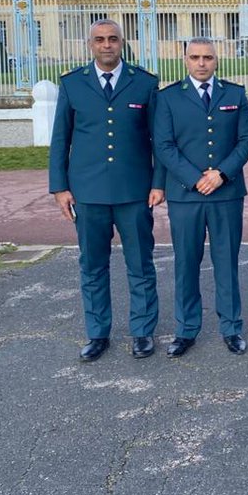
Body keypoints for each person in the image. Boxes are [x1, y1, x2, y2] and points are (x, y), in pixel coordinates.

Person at [49, 19, 165, 362]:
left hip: (134, 192)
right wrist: (60, 188)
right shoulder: (73, 84)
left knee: (141, 265)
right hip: (88, 192)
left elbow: (159, 140)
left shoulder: (144, 83)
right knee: (93, 266)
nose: (107, 45)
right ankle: (98, 333)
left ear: (122, 43)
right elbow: (60, 140)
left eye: (113, 39)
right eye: (100, 39)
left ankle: (143, 332)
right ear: (90, 45)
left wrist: (158, 183)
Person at [154, 38, 248, 357]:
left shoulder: (234, 94)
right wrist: (196, 178)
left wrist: (221, 173)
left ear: (216, 60)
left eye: (207, 57)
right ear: (185, 60)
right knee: (186, 263)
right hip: (186, 195)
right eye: (195, 57)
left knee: (226, 262)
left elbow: (245, 140)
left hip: (226, 194)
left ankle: (231, 327)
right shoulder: (168, 98)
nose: (201, 63)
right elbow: (164, 145)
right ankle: (186, 330)